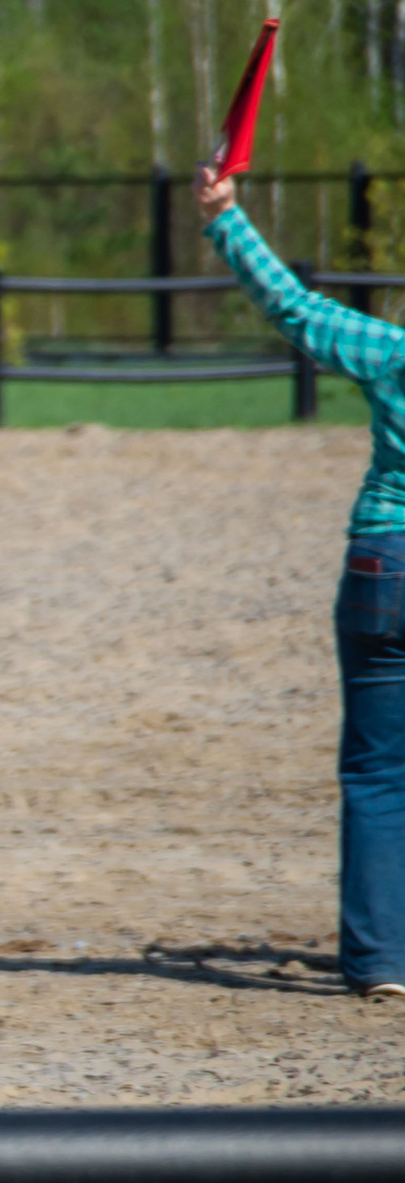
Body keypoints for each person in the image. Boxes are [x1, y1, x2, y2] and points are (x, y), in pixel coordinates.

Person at [196, 159, 405, 998]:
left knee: (378, 769)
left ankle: (383, 961)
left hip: (383, 561)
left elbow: (297, 310)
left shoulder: (393, 352)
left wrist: (225, 219)